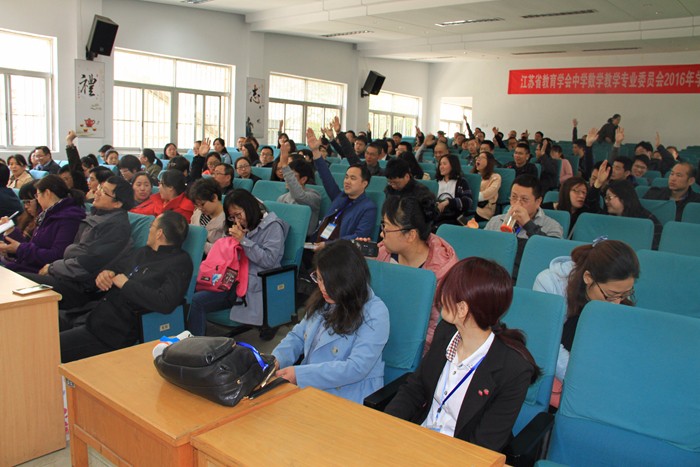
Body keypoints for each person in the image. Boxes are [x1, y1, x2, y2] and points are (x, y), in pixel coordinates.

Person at [385, 257, 540, 452]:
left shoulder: (513, 370)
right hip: (418, 440)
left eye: (447, 291)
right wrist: (385, 427)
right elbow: (414, 389)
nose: (441, 297)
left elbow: (483, 446)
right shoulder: (446, 332)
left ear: (462, 309)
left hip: (459, 455)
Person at [59, 211, 193, 362]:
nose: (149, 230)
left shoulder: (180, 263)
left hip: (113, 331)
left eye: (152, 227)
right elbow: (119, 268)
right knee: (49, 324)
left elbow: (165, 302)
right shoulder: (144, 251)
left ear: (159, 233)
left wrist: (127, 284)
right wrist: (108, 274)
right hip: (95, 312)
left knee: (49, 347)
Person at [272, 240, 390, 404]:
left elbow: (356, 368)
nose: (323, 287)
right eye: (319, 279)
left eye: (329, 282)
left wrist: (300, 375)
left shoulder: (375, 312)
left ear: (349, 279)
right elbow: (298, 336)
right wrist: (275, 361)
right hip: (310, 386)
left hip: (347, 396)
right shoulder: (325, 299)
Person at [20, 177, 134, 311]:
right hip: (67, 275)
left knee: (21, 281)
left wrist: (52, 267)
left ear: (117, 203)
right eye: (100, 188)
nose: (96, 192)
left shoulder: (115, 227)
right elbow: (76, 253)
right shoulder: (99, 216)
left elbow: (85, 265)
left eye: (104, 192)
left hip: (79, 288)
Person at [361, 194, 456, 354]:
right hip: (376, 336)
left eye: (387, 228)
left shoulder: (442, 273)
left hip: (412, 351)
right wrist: (367, 265)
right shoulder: (383, 252)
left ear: (411, 235)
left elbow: (434, 329)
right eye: (382, 226)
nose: (382, 234)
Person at [533, 239, 639, 381]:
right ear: (588, 277)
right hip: (562, 363)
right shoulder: (549, 283)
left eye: (625, 294)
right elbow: (549, 343)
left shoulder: (617, 290)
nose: (617, 303)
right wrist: (582, 380)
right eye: (610, 295)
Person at [188, 189, 289, 337]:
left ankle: (197, 347)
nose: (237, 220)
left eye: (238, 215)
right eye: (232, 216)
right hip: (231, 277)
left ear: (249, 208)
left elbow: (269, 260)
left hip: (250, 283)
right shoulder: (242, 226)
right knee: (190, 291)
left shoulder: (273, 227)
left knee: (197, 301)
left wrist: (243, 240)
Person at [0, 175, 85, 273]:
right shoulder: (48, 214)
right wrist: (11, 234)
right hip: (31, 267)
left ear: (47, 193)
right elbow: (32, 246)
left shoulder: (69, 219)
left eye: (37, 195)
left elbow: (56, 256)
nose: (37, 199)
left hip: (45, 272)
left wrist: (19, 249)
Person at [308, 128, 377, 241]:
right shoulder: (340, 196)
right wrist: (315, 151)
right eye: (346, 177)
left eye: (353, 178)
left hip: (338, 252)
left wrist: (328, 245)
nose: (347, 181)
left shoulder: (368, 207)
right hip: (317, 243)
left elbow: (359, 236)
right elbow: (326, 177)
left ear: (364, 183)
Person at [276, 143, 321, 238]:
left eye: (292, 175)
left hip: (304, 240)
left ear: (303, 179)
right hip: (282, 237)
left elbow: (299, 196)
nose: (287, 178)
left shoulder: (314, 196)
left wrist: (285, 166)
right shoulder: (282, 198)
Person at [603, 179, 662, 249]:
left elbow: (654, 248)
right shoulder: (609, 218)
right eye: (606, 198)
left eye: (609, 197)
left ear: (623, 198)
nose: (606, 201)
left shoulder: (647, 221)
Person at [131, 169, 195, 222]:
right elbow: (140, 212)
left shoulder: (185, 210)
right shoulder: (160, 199)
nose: (159, 187)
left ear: (170, 187)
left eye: (161, 183)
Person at [188, 178, 226, 255]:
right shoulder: (198, 213)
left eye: (202, 204)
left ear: (214, 197)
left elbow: (223, 250)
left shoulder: (226, 220)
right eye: (197, 205)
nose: (200, 208)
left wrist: (198, 243)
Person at [435, 154, 472, 227]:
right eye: (440, 164)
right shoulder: (436, 182)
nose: (441, 167)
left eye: (444, 164)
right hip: (436, 214)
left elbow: (468, 201)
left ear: (453, 165)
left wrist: (449, 202)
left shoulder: (461, 182)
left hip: (453, 216)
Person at [471, 152, 501, 221]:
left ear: (489, 162)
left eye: (481, 158)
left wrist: (472, 197)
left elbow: (490, 192)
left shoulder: (495, 177)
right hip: (470, 206)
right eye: (477, 158)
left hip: (483, 210)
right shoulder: (473, 175)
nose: (478, 159)